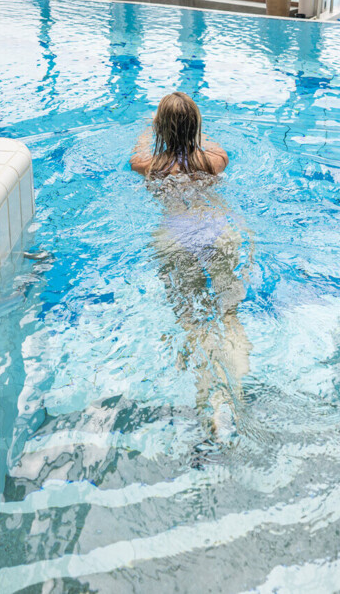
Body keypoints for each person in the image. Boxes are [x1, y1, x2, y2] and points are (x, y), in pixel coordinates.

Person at [131, 93, 248, 444]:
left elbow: (140, 149)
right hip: (217, 231)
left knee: (194, 324)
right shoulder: (215, 161)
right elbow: (207, 144)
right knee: (229, 316)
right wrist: (194, 134)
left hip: (176, 238)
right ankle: (235, 396)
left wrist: (153, 130)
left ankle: (208, 402)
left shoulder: (148, 165)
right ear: (197, 127)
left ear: (160, 129)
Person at [130, 92, 229, 178]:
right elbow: (211, 145)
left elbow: (139, 155)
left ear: (159, 128)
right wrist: (192, 125)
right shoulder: (219, 159)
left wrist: (149, 126)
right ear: (195, 126)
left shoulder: (150, 167)